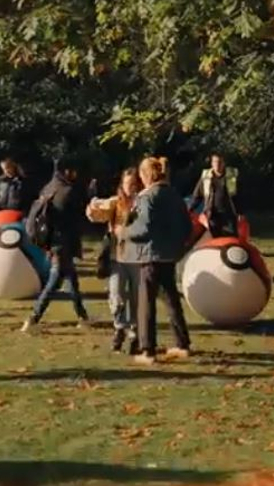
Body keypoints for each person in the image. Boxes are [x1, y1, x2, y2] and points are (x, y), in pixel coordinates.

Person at [122, 156, 192, 364]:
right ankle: (182, 343)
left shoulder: (147, 197)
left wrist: (124, 231)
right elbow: (187, 226)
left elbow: (143, 229)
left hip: (150, 255)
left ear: (145, 176)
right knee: (171, 300)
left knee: (146, 302)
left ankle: (147, 349)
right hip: (170, 255)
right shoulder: (174, 194)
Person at [22, 158, 91, 331]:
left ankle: (83, 316)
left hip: (52, 241)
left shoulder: (49, 188)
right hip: (63, 243)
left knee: (72, 281)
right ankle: (33, 318)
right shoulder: (67, 191)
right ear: (66, 171)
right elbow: (75, 218)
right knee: (53, 283)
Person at [87, 167, 142, 352]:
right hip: (117, 256)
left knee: (136, 297)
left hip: (138, 257)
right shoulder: (116, 202)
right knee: (116, 294)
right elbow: (96, 213)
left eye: (134, 184)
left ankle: (135, 332)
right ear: (122, 184)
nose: (131, 187)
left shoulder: (143, 202)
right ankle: (119, 327)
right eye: (128, 184)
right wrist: (93, 205)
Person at [190, 153, 239, 238]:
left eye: (220, 162)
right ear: (212, 163)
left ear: (224, 163)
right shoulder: (206, 177)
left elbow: (240, 194)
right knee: (214, 239)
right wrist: (190, 209)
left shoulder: (231, 176)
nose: (218, 164)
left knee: (231, 239)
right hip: (212, 215)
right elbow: (197, 195)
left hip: (229, 214)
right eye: (215, 162)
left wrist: (241, 211)